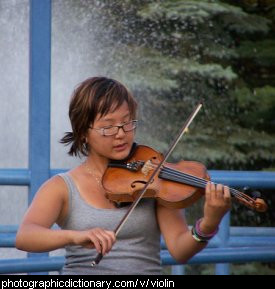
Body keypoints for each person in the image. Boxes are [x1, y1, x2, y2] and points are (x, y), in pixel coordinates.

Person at [15, 76, 231, 275]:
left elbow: (180, 250)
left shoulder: (155, 177)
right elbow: (25, 236)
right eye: (107, 127)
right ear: (83, 133)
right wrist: (75, 236)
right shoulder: (62, 187)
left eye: (127, 122)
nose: (121, 134)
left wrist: (209, 223)